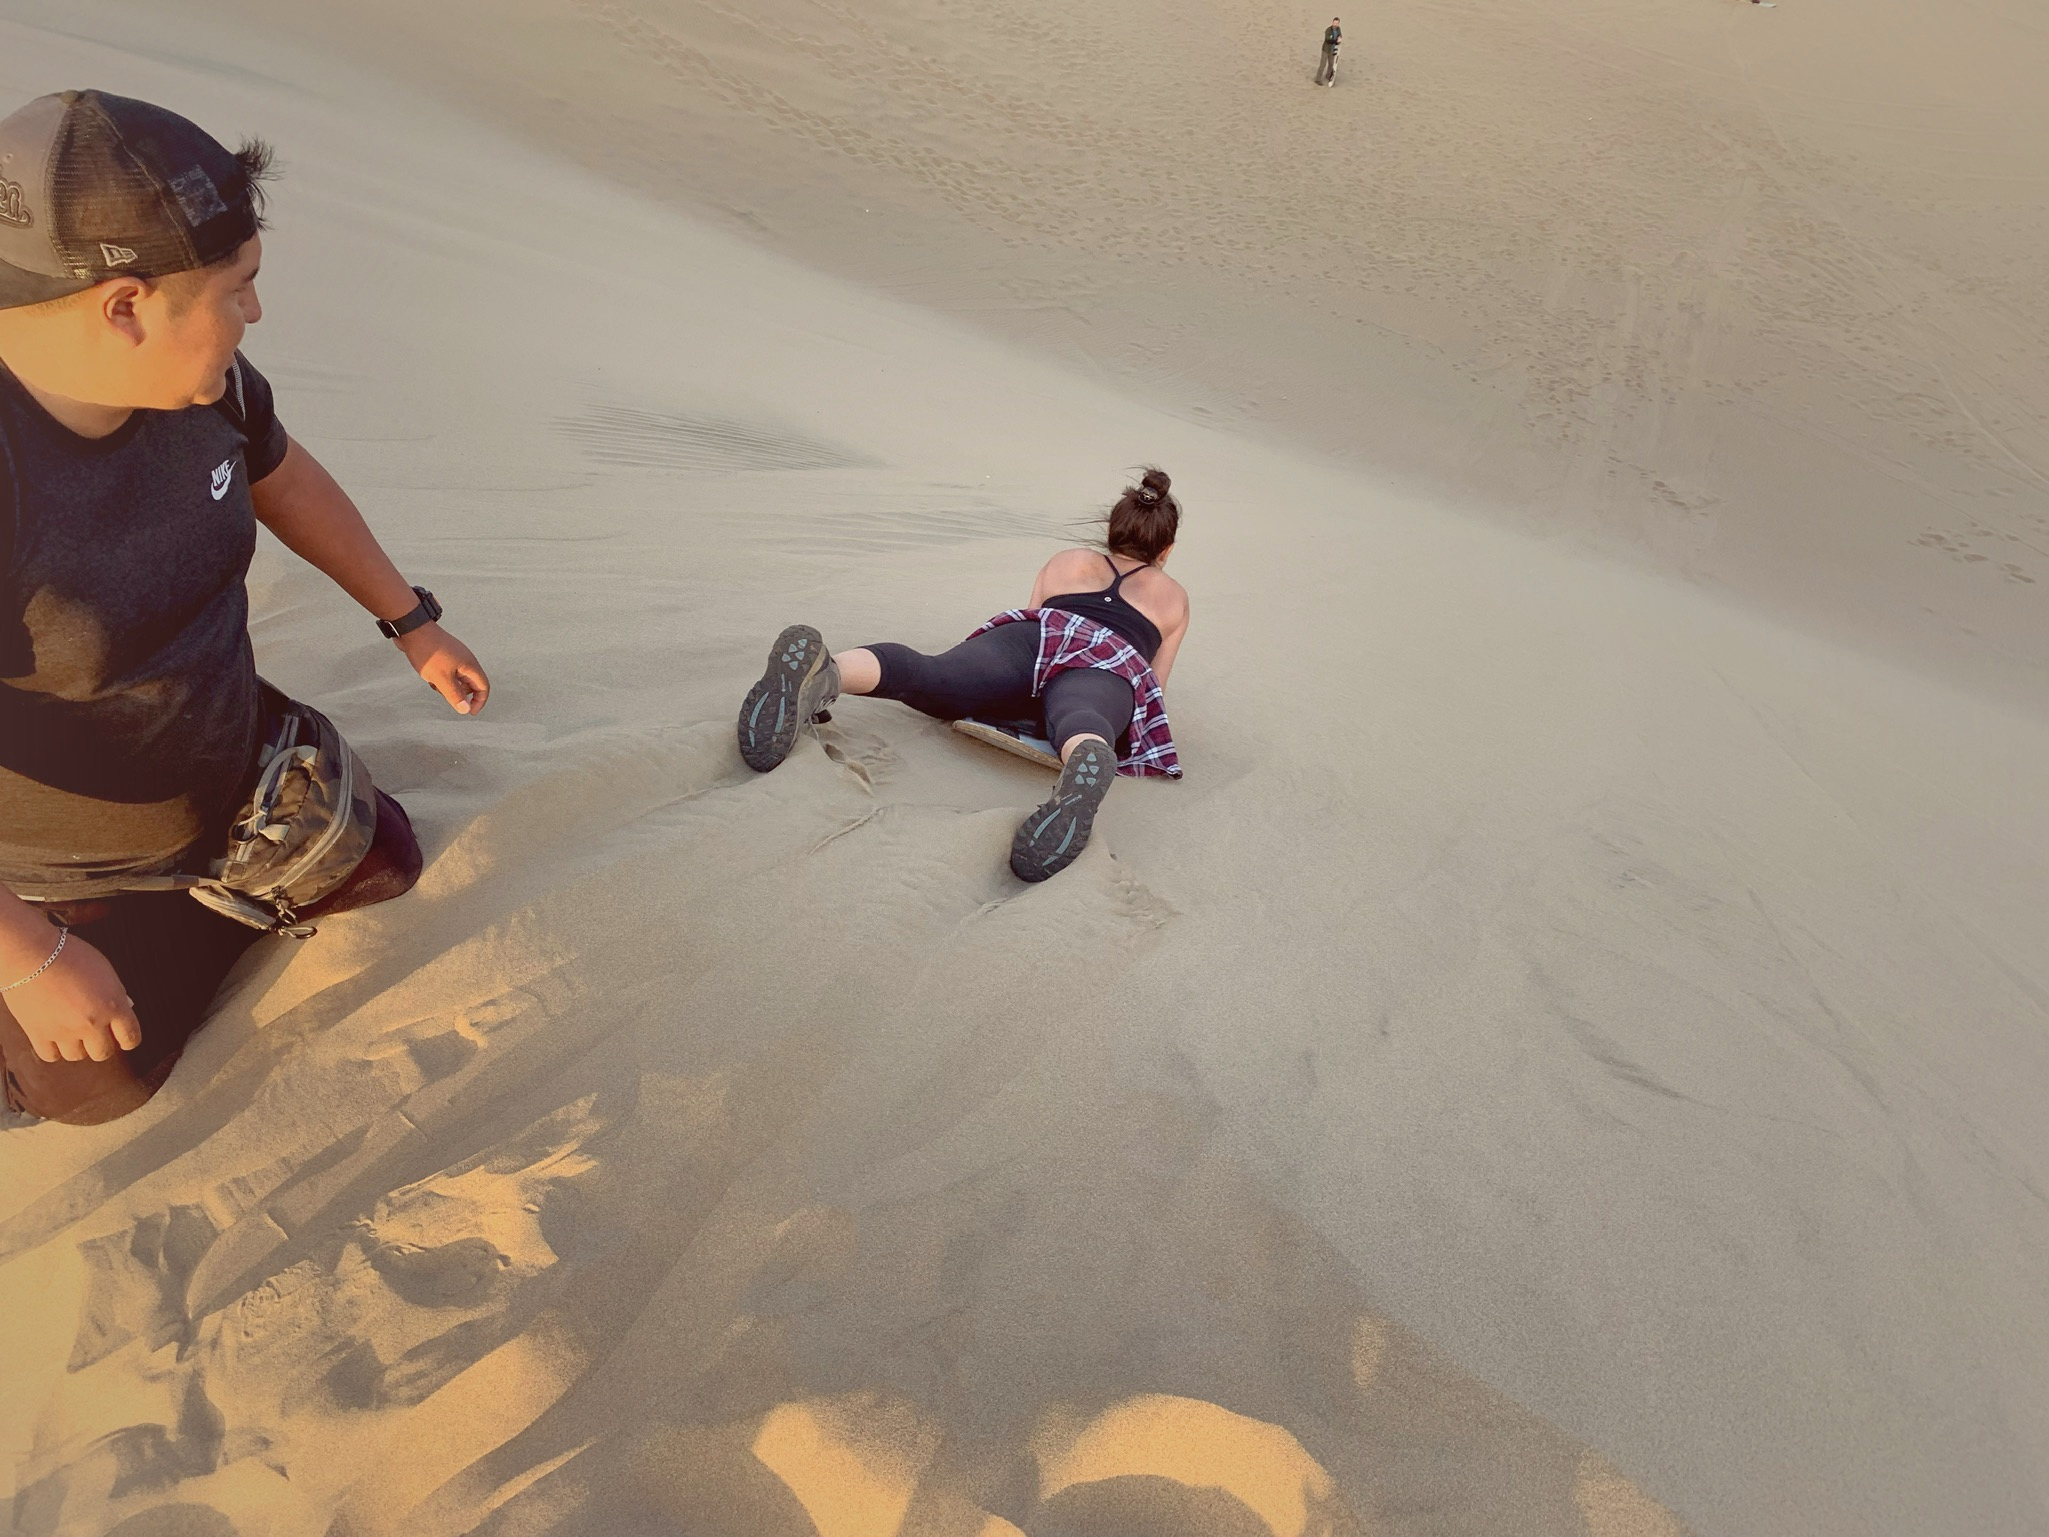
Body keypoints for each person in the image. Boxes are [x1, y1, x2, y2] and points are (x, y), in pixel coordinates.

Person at [0, 90, 491, 1125]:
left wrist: (411, 622)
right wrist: (31, 954)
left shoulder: (203, 380)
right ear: (124, 307)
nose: (256, 314)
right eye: (239, 288)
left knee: (389, 862)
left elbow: (279, 472)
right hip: (57, 866)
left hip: (236, 773)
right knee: (98, 1084)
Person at [736, 469, 1189, 883]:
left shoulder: (1066, 562)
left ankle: (829, 671)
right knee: (1084, 714)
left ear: (1112, 529)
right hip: (1110, 659)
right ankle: (1084, 755)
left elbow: (1035, 625)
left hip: (1035, 636)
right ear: (1165, 549)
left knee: (933, 674)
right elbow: (1153, 689)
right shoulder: (1173, 598)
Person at [1316, 18, 1342, 86]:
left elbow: (1340, 35)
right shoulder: (1328, 30)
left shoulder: (1338, 29)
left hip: (1332, 50)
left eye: (1337, 23)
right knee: (1323, 65)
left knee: (1331, 64)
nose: (1335, 24)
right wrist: (1335, 41)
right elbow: (1327, 40)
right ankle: (1317, 79)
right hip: (1326, 50)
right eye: (1334, 23)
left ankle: (1328, 75)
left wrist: (1339, 38)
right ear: (1332, 22)